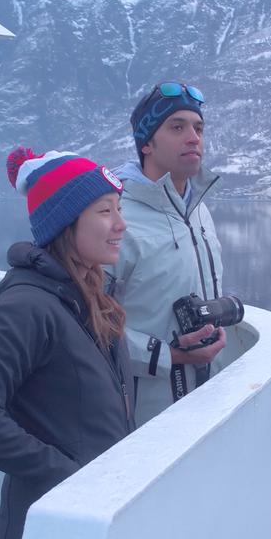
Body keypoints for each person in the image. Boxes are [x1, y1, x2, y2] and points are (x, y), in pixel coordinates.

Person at [0, 147, 134, 539]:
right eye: (106, 211)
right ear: (66, 224)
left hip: (93, 520)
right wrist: (69, 477)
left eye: (119, 209)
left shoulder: (91, 294)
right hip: (46, 534)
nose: (121, 224)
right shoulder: (26, 305)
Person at [107, 81, 232, 425]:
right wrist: (170, 356)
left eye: (199, 128)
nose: (194, 137)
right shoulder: (116, 216)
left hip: (207, 399)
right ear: (147, 143)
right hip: (143, 414)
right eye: (177, 127)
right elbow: (86, 323)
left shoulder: (199, 211)